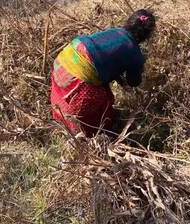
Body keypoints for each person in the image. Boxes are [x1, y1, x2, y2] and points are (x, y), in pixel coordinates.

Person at [50, 9, 156, 137]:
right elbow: (134, 82)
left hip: (65, 58)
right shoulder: (134, 53)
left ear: (129, 22)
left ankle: (62, 126)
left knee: (65, 103)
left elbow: (104, 55)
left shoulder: (115, 31)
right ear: (147, 36)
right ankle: (91, 137)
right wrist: (139, 65)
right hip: (79, 74)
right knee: (97, 111)